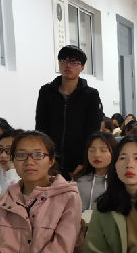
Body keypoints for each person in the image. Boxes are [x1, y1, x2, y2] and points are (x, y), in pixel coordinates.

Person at [0, 131, 82, 253]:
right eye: (21, 155)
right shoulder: (0, 202)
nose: (29, 162)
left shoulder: (68, 198)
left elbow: (60, 250)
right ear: (13, 161)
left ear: (51, 161)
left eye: (38, 155)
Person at [35, 45, 103, 179]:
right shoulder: (46, 92)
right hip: (51, 161)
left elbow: (92, 131)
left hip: (79, 162)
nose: (68, 66)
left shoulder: (91, 95)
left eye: (74, 62)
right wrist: (45, 158)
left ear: (82, 67)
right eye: (64, 61)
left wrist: (84, 161)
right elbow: (41, 127)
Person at [73, 132, 117, 211]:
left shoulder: (120, 181)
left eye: (103, 150)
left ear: (114, 152)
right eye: (92, 150)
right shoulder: (78, 179)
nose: (96, 155)